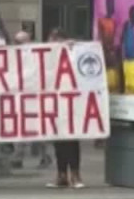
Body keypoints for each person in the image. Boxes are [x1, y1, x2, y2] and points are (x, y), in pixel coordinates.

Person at [45, 28, 85, 189]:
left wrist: (75, 46)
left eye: (56, 41)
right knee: (59, 142)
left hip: (71, 103)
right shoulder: (47, 57)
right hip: (55, 104)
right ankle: (61, 174)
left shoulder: (73, 53)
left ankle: (75, 174)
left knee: (72, 141)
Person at [10, 30, 51, 170]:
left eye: (19, 42)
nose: (16, 44)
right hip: (19, 96)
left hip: (33, 97)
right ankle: (18, 157)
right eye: (16, 41)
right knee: (19, 128)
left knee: (36, 129)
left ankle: (44, 156)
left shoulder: (35, 56)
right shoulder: (13, 56)